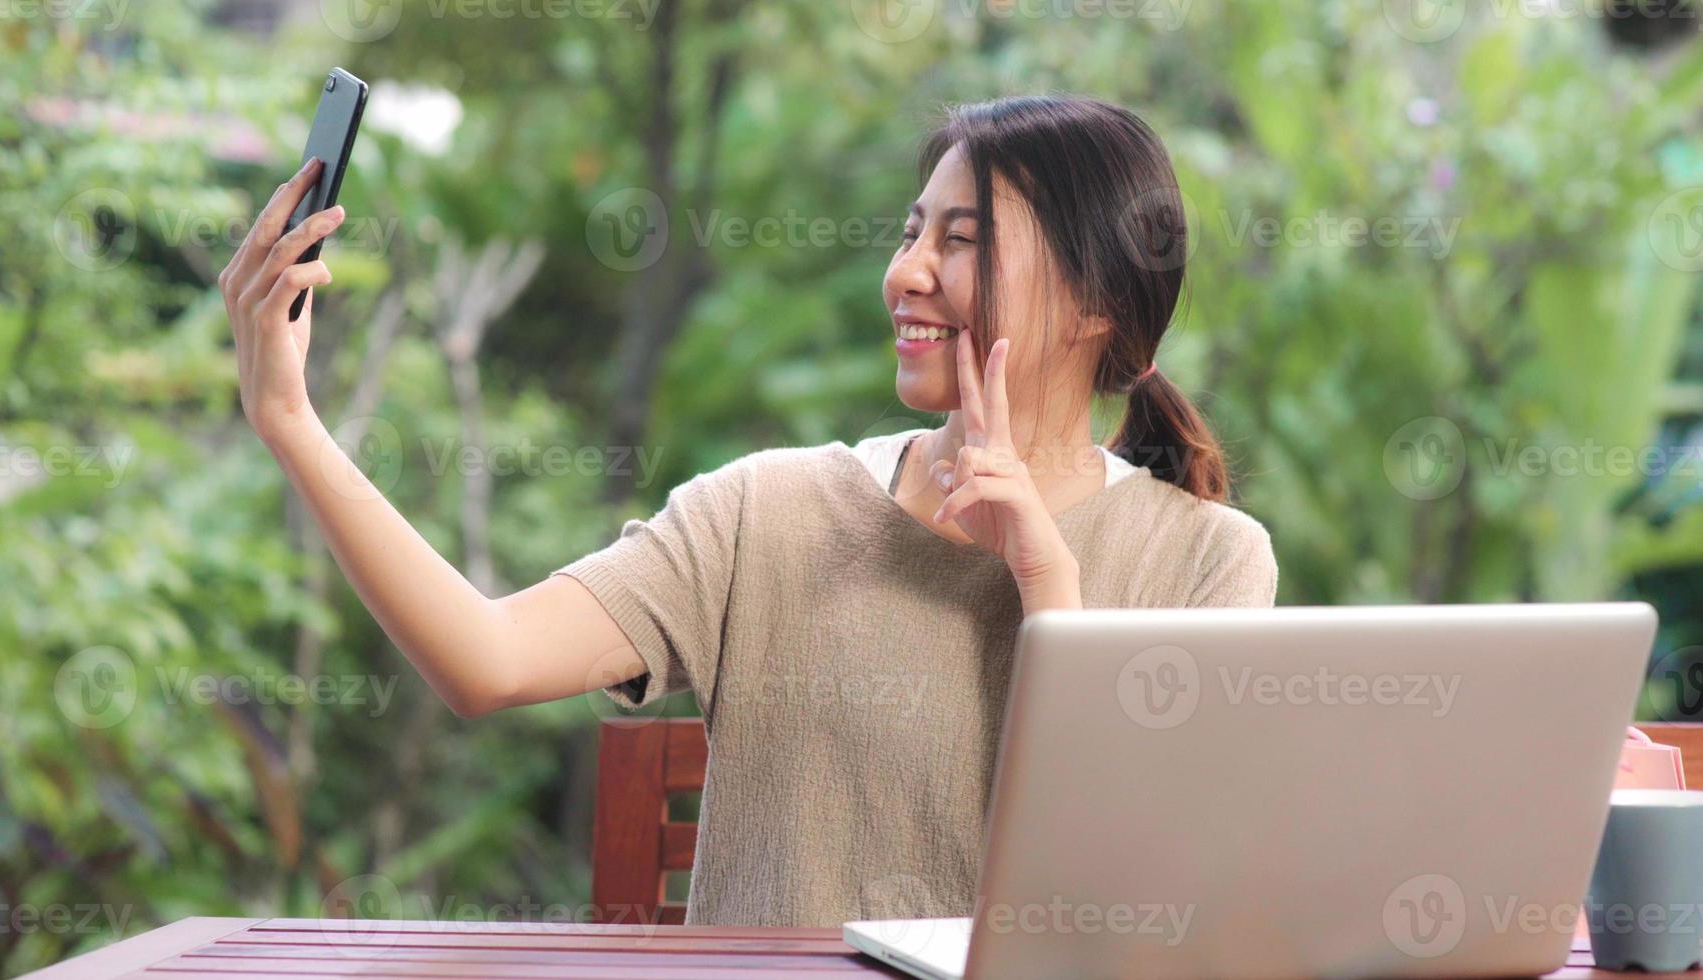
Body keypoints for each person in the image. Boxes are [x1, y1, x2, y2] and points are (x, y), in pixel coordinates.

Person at [216, 94, 1277, 928]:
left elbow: (1156, 900)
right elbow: (483, 659)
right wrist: (290, 420)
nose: (905, 272)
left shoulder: (1206, 560)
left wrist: (1045, 582)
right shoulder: (766, 510)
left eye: (962, 241)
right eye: (912, 232)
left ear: (1096, 302)